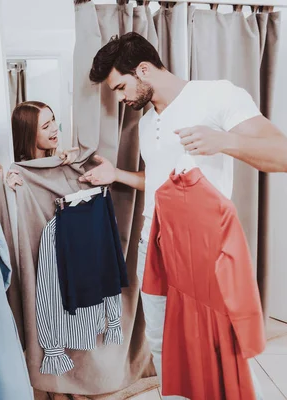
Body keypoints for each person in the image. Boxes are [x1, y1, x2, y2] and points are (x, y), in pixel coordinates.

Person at [85, 31, 287, 398]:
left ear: (143, 70)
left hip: (203, 248)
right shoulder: (147, 123)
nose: (121, 98)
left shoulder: (217, 95)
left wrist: (225, 141)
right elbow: (163, 181)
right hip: (154, 246)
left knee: (221, 345)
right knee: (162, 342)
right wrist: (117, 175)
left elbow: (282, 154)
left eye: (120, 87)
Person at [5, 100, 80, 190]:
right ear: (29, 135)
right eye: (46, 126)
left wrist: (73, 166)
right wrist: (10, 190)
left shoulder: (60, 159)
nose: (55, 128)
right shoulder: (18, 171)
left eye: (53, 120)